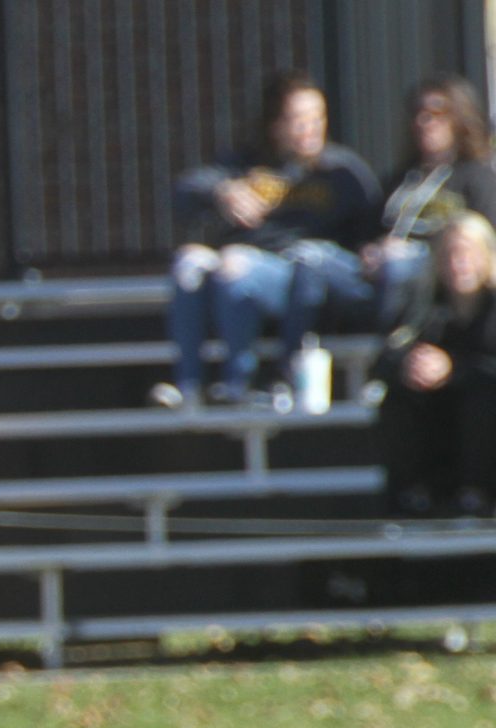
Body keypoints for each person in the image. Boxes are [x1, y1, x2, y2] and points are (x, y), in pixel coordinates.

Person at [155, 71, 381, 409]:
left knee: (235, 262)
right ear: (275, 125)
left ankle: (237, 383)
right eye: (298, 119)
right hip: (242, 270)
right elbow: (183, 191)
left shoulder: (342, 170)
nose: (310, 128)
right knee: (189, 262)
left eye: (317, 117)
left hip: (302, 277)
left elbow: (371, 231)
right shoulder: (247, 164)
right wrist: (222, 191)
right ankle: (188, 385)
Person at [375, 211, 496, 518]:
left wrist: (453, 370)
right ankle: (412, 496)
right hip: (441, 419)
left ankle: (477, 494)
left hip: (484, 418)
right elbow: (385, 360)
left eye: (467, 253)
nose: (459, 263)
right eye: (450, 254)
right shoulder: (426, 309)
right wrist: (411, 365)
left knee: (481, 403)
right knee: (399, 399)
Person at [367, 76, 496, 322]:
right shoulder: (400, 178)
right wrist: (369, 249)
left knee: (397, 269)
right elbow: (369, 228)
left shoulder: (476, 177)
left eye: (437, 112)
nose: (424, 122)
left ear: (459, 118)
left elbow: (486, 241)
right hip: (381, 268)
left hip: (438, 271)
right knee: (316, 265)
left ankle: (393, 343)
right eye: (418, 113)